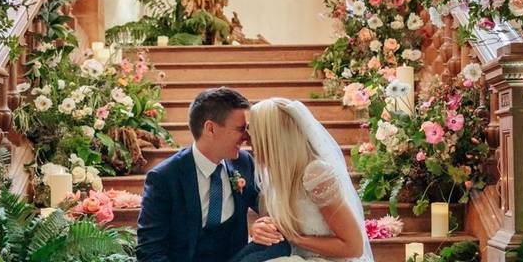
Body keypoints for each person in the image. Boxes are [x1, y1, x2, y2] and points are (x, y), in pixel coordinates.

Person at [136, 87, 291, 262]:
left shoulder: (244, 162)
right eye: (241, 129)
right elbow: (149, 251)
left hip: (236, 259)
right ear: (210, 129)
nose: (247, 137)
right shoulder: (164, 177)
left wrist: (264, 225)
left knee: (281, 245)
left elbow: (272, 208)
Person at [231, 98, 371, 262]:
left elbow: (353, 247)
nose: (246, 139)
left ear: (272, 138)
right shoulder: (275, 173)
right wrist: (260, 228)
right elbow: (277, 225)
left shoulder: (314, 173)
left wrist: (296, 238)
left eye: (252, 132)